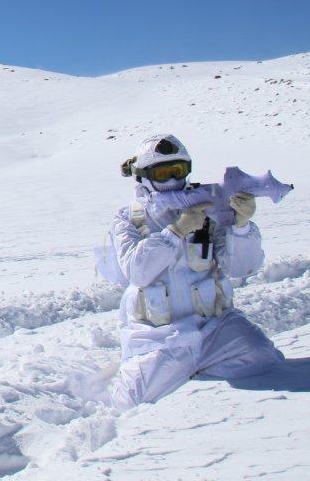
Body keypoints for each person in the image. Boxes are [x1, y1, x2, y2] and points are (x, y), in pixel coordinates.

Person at [108, 134, 283, 408]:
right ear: (143, 176)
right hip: (159, 336)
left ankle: (197, 377)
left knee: (261, 357)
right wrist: (176, 231)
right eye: (163, 173)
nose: (172, 181)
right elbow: (137, 271)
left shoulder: (208, 208)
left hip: (213, 327)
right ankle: (176, 370)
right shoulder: (130, 218)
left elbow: (241, 267)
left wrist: (241, 226)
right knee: (132, 401)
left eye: (177, 172)